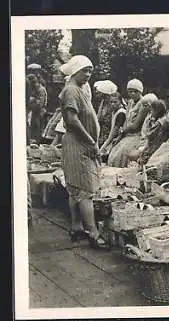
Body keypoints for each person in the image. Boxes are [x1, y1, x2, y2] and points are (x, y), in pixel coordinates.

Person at [58, 55, 108, 249]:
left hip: (77, 144)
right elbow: (72, 120)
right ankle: (93, 234)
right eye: (84, 70)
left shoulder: (77, 89)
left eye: (90, 71)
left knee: (75, 188)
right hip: (79, 144)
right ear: (74, 71)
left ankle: (76, 226)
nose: (88, 74)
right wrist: (91, 141)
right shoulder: (71, 90)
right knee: (86, 190)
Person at [107, 79, 148, 167]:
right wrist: (120, 136)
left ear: (140, 91)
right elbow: (126, 120)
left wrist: (123, 131)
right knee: (114, 153)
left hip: (138, 135)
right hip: (127, 134)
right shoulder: (130, 102)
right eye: (130, 91)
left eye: (135, 91)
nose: (132, 94)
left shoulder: (144, 103)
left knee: (123, 154)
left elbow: (135, 126)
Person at [132, 99, 169, 166]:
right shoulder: (164, 119)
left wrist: (149, 123)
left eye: (152, 110)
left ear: (157, 111)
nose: (151, 112)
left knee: (145, 155)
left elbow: (149, 134)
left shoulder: (159, 123)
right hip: (161, 142)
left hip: (156, 144)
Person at [98, 92, 127, 162]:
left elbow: (114, 133)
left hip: (118, 140)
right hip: (112, 140)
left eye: (115, 102)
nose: (113, 104)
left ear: (120, 101)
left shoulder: (121, 113)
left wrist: (103, 147)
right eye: (111, 102)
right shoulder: (114, 112)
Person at [95, 80, 119, 148]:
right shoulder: (103, 102)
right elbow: (99, 116)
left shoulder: (112, 103)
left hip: (109, 130)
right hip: (102, 129)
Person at [26, 74, 48, 144]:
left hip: (39, 111)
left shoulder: (40, 90)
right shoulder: (37, 89)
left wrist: (31, 103)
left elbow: (40, 104)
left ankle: (38, 142)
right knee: (34, 127)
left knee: (38, 128)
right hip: (36, 111)